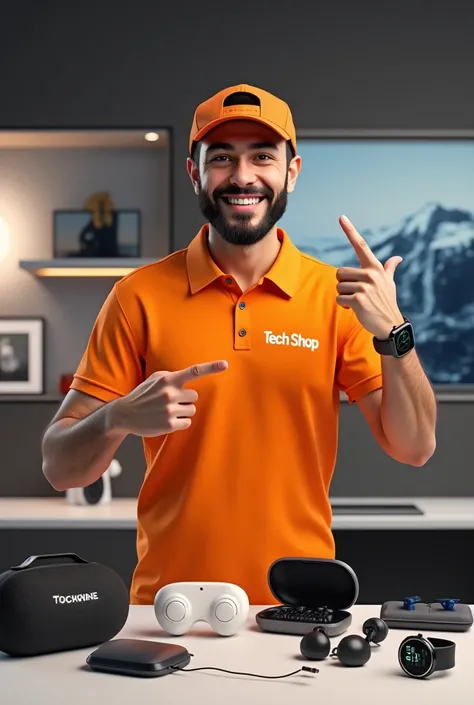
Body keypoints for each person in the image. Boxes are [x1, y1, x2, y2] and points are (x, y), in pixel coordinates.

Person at [41, 83, 437, 605]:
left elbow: (414, 448)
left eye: (263, 157)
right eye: (222, 157)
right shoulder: (137, 297)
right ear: (195, 172)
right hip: (168, 606)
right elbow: (59, 467)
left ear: (291, 172)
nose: (243, 176)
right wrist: (117, 418)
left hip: (298, 606)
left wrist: (394, 334)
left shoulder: (335, 299)